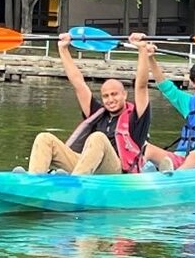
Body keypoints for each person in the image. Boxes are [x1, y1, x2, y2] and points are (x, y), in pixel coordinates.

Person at [19, 32, 152, 175]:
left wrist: (142, 50)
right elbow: (78, 83)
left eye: (114, 94)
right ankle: (34, 180)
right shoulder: (98, 113)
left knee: (97, 137)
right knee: (44, 138)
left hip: (117, 173)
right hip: (88, 166)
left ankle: (75, 181)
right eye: (106, 96)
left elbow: (141, 86)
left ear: (124, 95)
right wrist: (63, 49)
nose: (110, 100)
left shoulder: (137, 118)